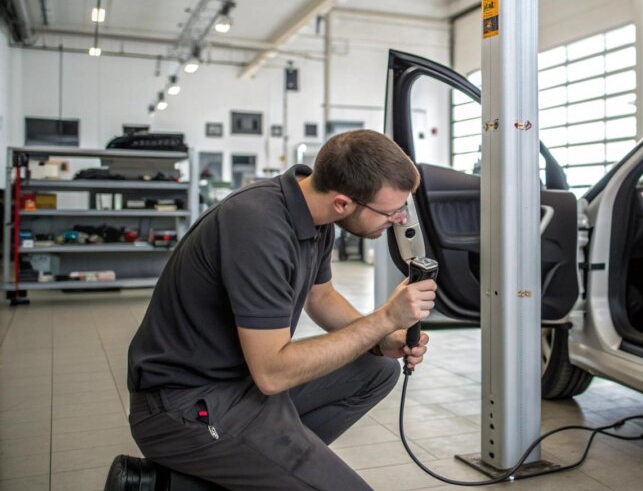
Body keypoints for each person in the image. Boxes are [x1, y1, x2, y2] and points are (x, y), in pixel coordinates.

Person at [126, 130, 436, 490]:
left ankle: (259, 468)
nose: (399, 219)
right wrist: (385, 319)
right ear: (341, 203)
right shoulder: (258, 225)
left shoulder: (315, 214)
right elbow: (272, 372)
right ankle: (181, 481)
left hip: (242, 386)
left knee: (376, 369)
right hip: (184, 403)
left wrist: (381, 338)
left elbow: (322, 296)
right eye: (391, 211)